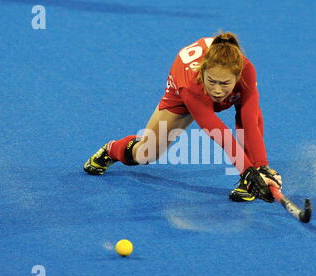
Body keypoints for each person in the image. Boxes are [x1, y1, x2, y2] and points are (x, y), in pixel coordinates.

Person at [83, 32, 282, 202]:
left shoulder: (247, 72)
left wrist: (260, 167)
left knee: (251, 122)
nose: (217, 90)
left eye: (224, 83)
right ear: (203, 72)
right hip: (183, 95)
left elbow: (248, 121)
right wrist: (246, 169)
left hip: (229, 89)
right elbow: (218, 131)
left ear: (238, 77)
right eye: (212, 81)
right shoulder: (191, 84)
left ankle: (247, 182)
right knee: (146, 154)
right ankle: (111, 150)